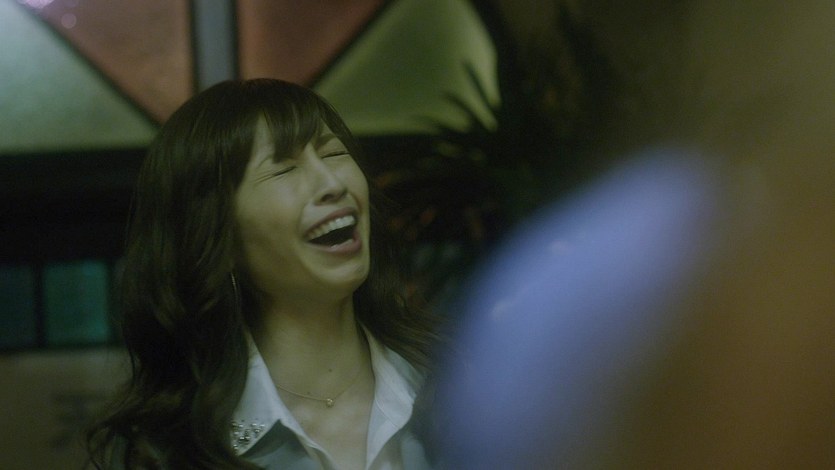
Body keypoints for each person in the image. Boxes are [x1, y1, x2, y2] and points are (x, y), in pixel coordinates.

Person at [86, 79, 441, 469]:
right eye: (283, 169)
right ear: (217, 236)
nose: (332, 183)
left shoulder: (463, 384)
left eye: (334, 153)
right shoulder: (173, 449)